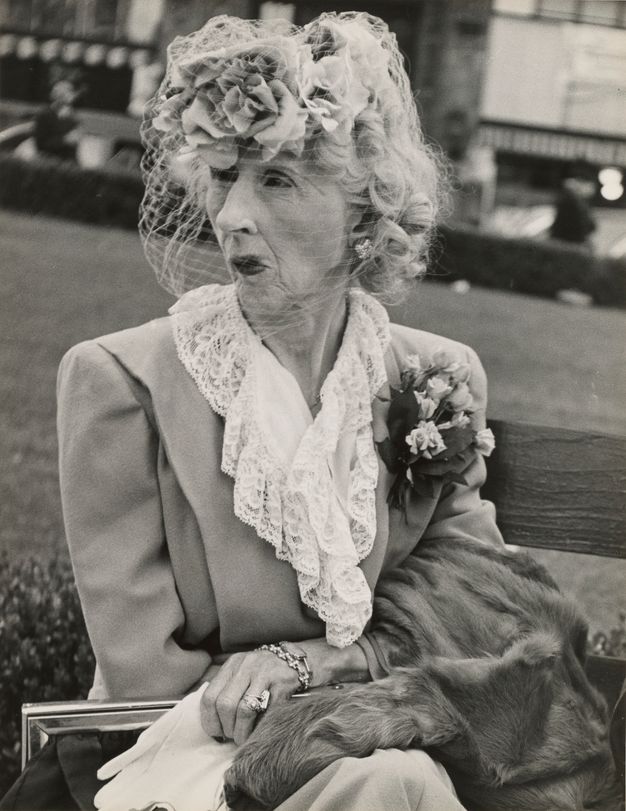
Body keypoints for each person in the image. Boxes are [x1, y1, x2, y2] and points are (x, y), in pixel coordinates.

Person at [2, 12, 505, 811]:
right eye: (225, 176)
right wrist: (345, 690)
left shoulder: (434, 379)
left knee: (397, 778)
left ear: (364, 215)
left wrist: (316, 663)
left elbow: (476, 616)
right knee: (393, 783)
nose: (233, 213)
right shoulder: (120, 382)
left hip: (383, 734)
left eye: (275, 180)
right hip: (180, 750)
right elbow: (144, 672)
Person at [33, 79, 81, 161]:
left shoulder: (72, 115)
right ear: (57, 96)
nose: (71, 98)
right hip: (51, 162)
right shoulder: (45, 115)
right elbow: (40, 145)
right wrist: (64, 140)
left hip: (69, 163)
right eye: (67, 94)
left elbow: (74, 144)